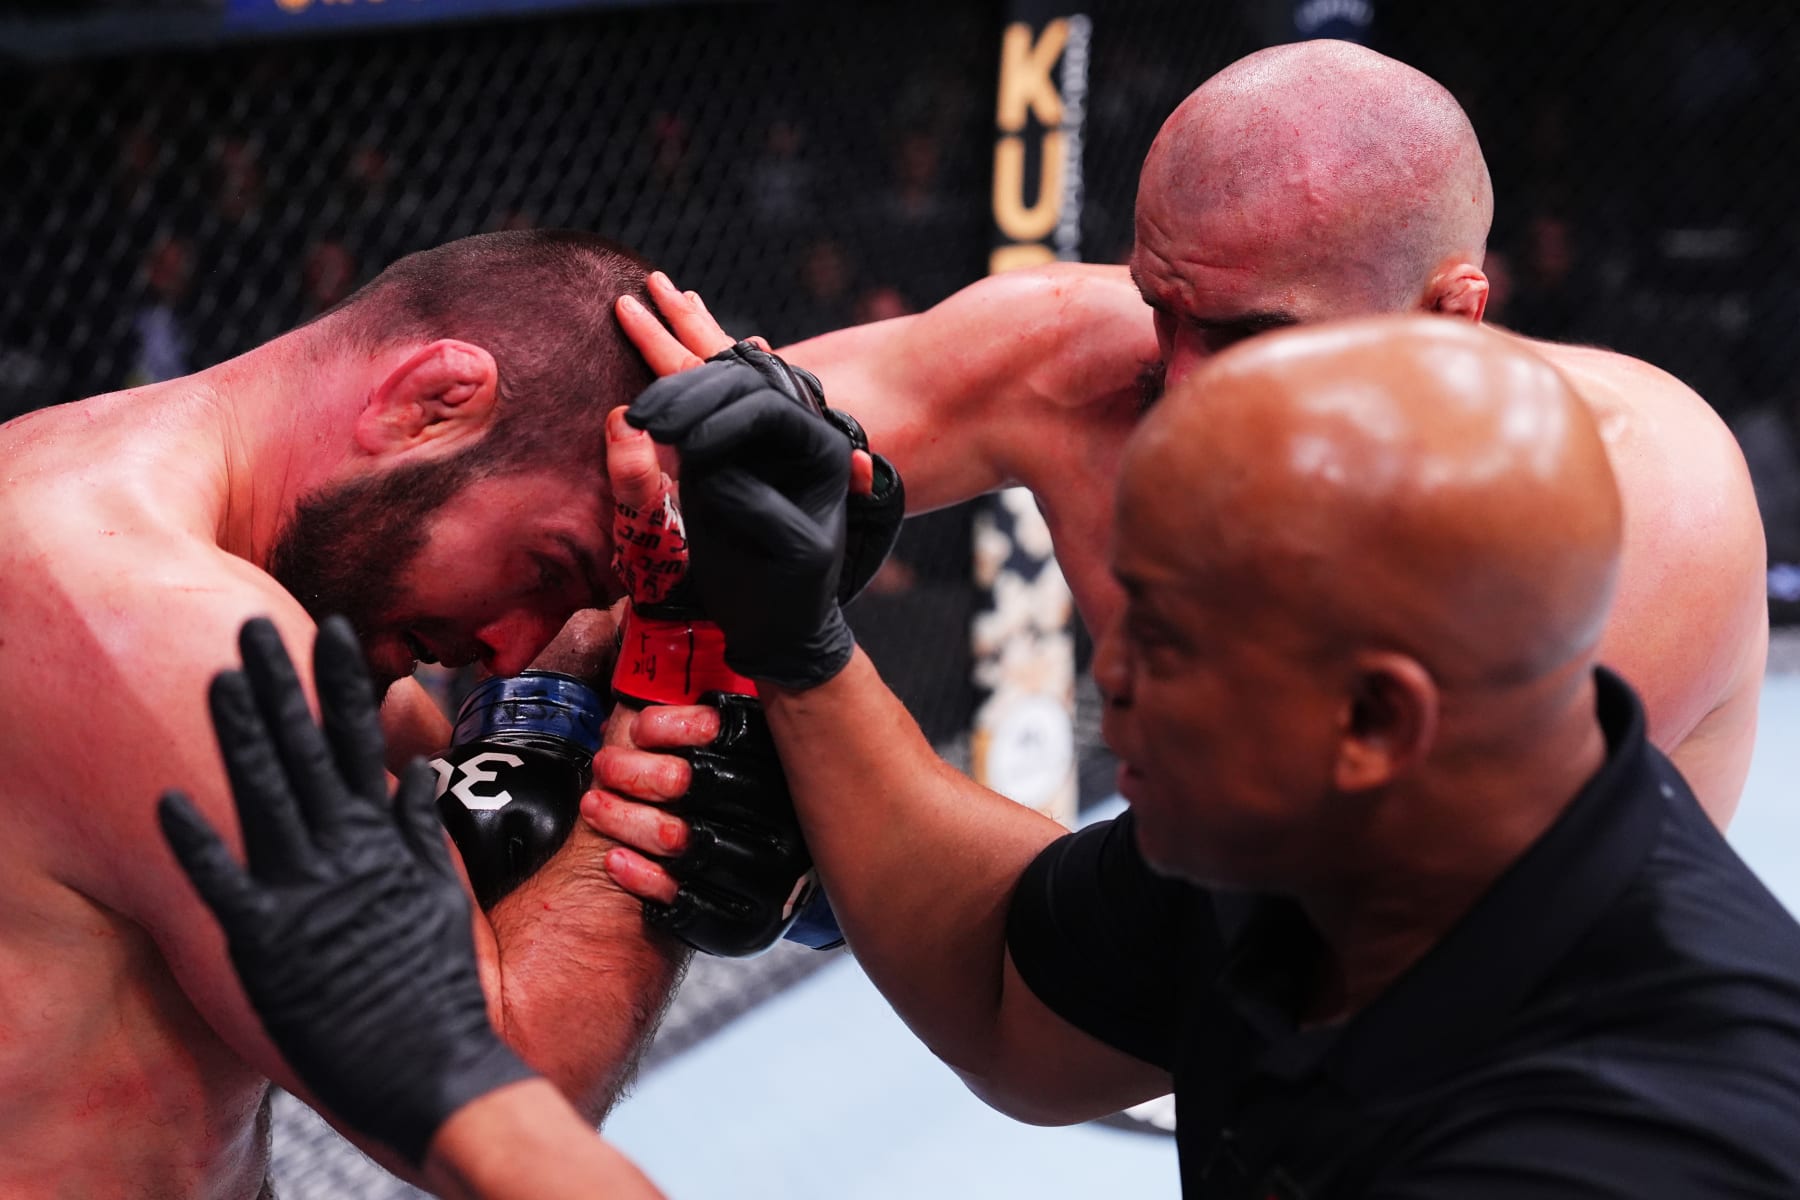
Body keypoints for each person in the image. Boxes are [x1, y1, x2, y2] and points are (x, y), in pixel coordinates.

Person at [170, 322, 1800, 1198]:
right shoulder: (1344, 856)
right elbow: (1017, 996)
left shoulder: (1643, 1135)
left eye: (1160, 638)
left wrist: (463, 1096)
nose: (1108, 671)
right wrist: (798, 646)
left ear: (1374, 724)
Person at [610, 38, 1766, 833]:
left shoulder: (1640, 498)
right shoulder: (1091, 359)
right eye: (1160, 305)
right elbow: (643, 452)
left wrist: (841, 820)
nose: (1179, 374)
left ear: (1450, 316)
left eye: (1247, 331)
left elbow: (1291, 928)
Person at [0, 229, 690, 1196]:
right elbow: (515, 1078)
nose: (514, 651)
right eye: (547, 570)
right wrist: (687, 716)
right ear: (434, 403)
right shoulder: (176, 632)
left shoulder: (75, 467)